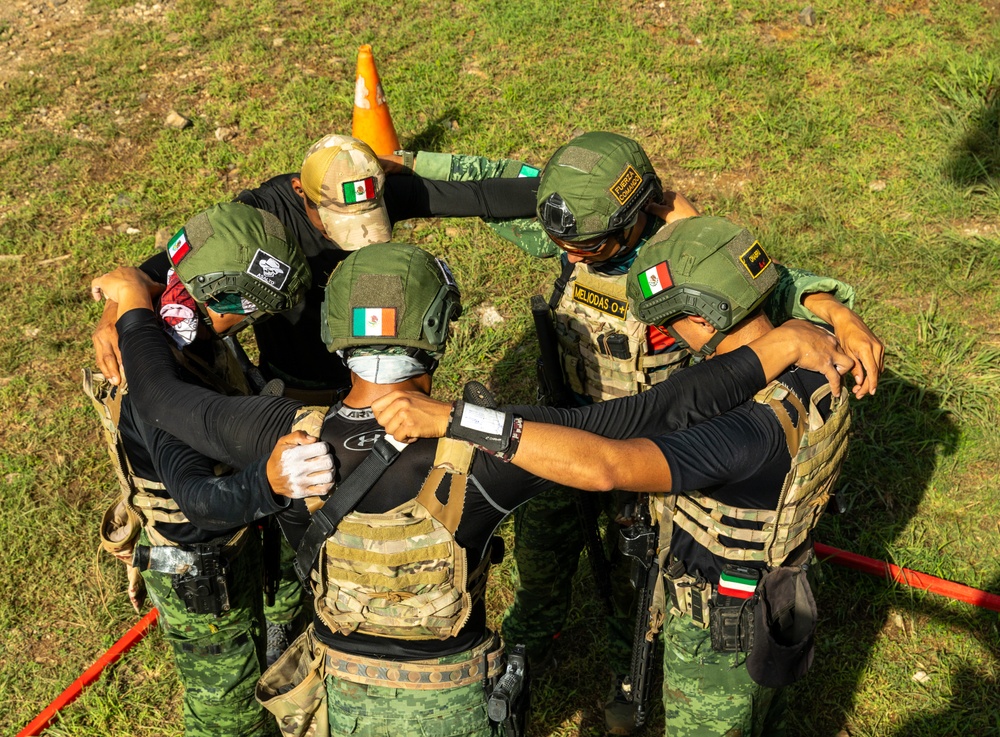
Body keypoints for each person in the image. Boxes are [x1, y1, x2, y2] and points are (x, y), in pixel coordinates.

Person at [90, 240, 852, 737]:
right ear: (440, 332)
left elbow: (162, 401)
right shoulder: (486, 445)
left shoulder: (276, 435)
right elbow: (643, 414)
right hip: (452, 705)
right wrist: (777, 347)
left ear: (333, 332)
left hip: (338, 702)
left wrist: (131, 305)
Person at [419, 132, 880, 733]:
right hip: (597, 421)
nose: (575, 254)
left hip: (653, 440)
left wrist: (835, 310)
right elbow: (482, 181)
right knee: (545, 551)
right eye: (564, 244)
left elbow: (758, 281)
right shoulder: (578, 211)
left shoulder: (687, 262)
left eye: (592, 243)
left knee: (636, 577)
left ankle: (627, 666)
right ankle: (537, 634)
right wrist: (397, 166)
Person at [86, 202, 312, 737]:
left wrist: (121, 300)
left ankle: (280, 649)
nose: (256, 320)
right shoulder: (157, 378)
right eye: (252, 311)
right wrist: (271, 483)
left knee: (288, 611)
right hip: (200, 558)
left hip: (248, 520)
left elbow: (140, 275)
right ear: (219, 298)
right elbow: (199, 500)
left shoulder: (176, 300)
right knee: (229, 713)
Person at [92, 134, 541, 400]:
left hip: (371, 379)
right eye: (337, 224)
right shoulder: (262, 212)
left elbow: (480, 195)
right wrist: (117, 310)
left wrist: (572, 195)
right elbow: (170, 264)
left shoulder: (375, 191)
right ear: (298, 192)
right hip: (292, 385)